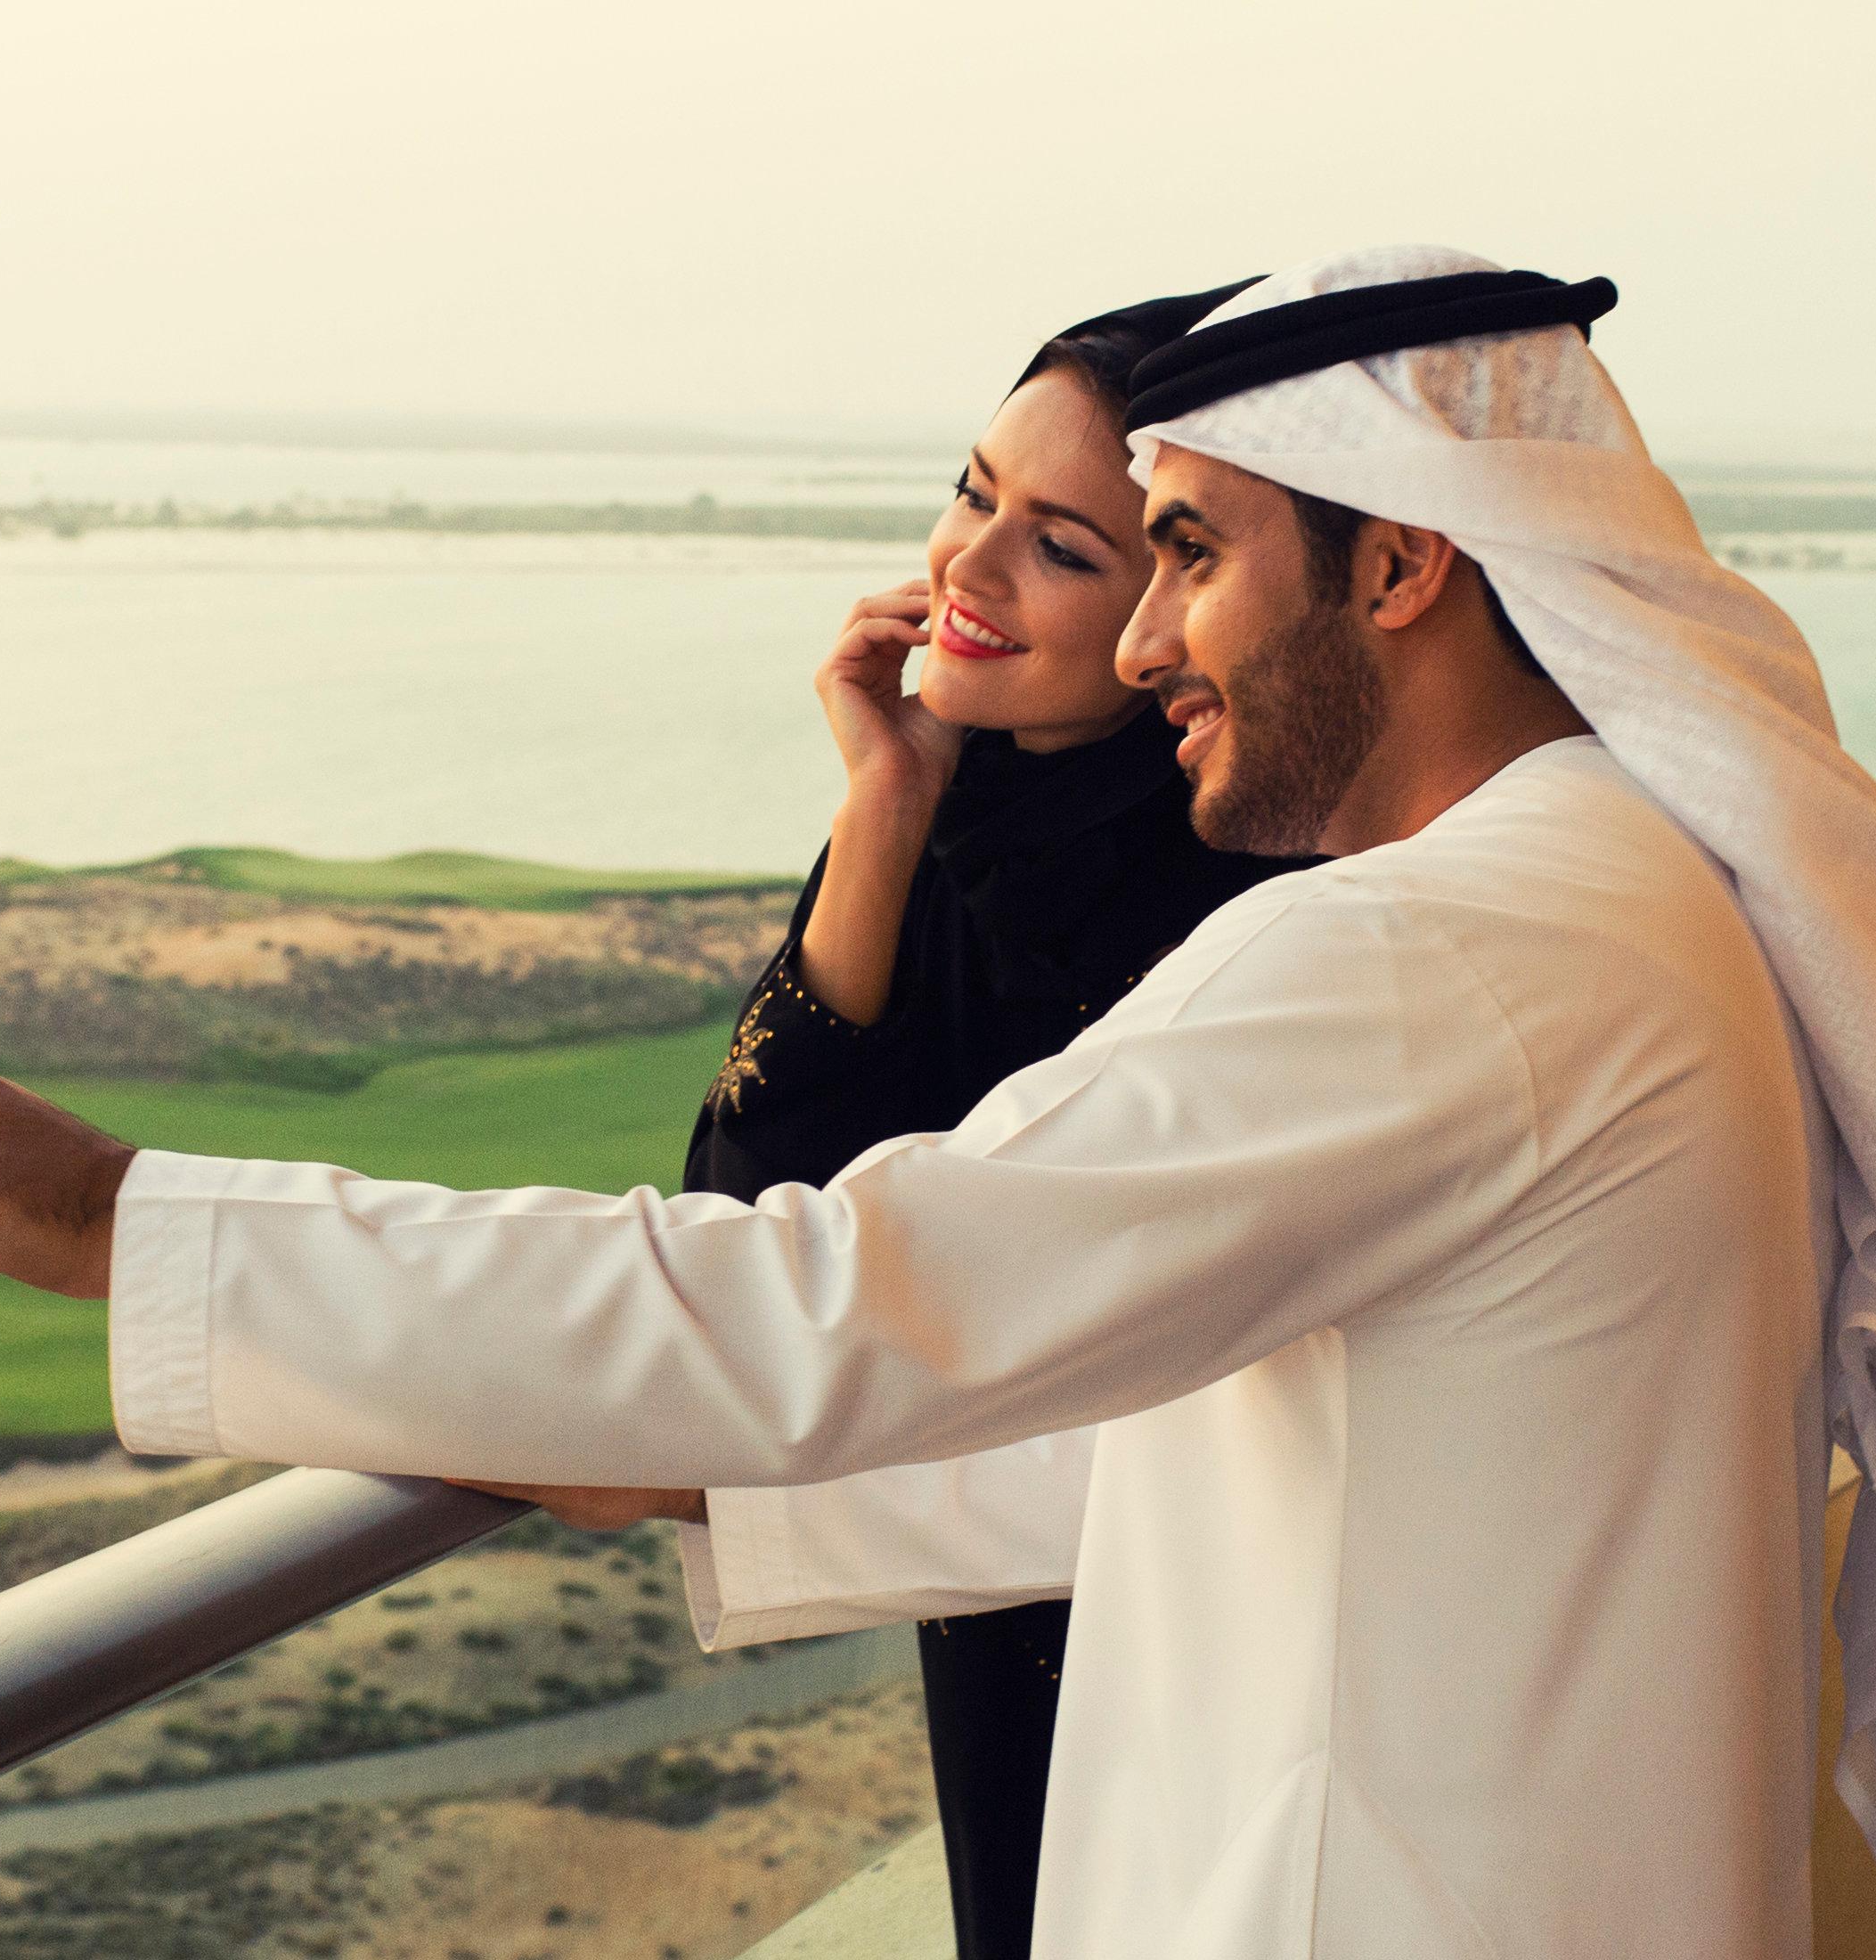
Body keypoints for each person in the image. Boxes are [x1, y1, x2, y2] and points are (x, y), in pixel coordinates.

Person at [0, 246, 1876, 1956]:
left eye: (1187, 552)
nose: (1141, 644)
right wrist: (714, 1492)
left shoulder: (1440, 955)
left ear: (1402, 565)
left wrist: (123, 1210)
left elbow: (826, 1296)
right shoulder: (1629, 897)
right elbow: (1279, 1436)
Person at [534, 282, 1295, 1960]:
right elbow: (749, 1199)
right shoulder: (958, 796)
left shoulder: (1261, 869)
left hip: (1199, 1614)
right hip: (990, 1609)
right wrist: (884, 800)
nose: (965, 569)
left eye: (1063, 548)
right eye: (971, 496)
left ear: (1186, 586)